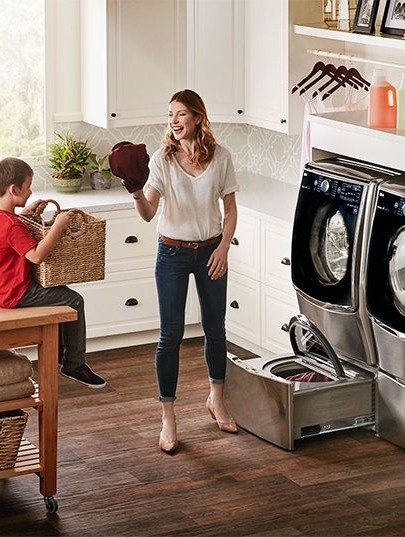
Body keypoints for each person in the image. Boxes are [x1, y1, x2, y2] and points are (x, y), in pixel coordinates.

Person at [124, 89, 239, 453]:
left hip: (211, 252)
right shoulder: (162, 160)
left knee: (215, 328)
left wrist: (223, 247)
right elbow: (148, 214)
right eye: (170, 115)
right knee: (170, 336)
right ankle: (168, 419)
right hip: (172, 253)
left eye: (181, 115)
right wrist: (135, 190)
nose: (173, 121)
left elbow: (231, 209)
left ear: (198, 118)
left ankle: (216, 400)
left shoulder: (221, 157)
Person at [0, 157, 106, 388]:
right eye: (27, 187)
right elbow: (37, 256)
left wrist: (26, 213)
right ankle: (74, 365)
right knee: (73, 300)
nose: (30, 191)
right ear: (13, 189)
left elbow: (13, 230)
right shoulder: (12, 225)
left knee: (60, 294)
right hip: (13, 292)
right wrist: (57, 226)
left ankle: (59, 355)